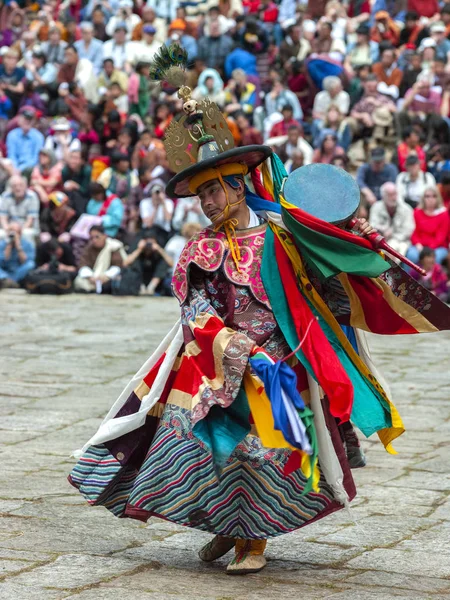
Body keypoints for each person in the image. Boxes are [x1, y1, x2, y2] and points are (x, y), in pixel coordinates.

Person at [71, 70, 450, 576]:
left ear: (239, 187)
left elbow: (329, 288)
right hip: (220, 360)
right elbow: (194, 308)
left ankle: (253, 538)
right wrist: (228, 344)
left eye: (214, 191)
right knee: (207, 447)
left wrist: (350, 241)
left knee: (264, 451)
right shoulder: (201, 248)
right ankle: (225, 526)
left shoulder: (284, 237)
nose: (207, 203)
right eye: (200, 195)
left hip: (280, 362)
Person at [74, 224, 127, 293]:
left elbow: (117, 266)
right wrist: (90, 277)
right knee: (79, 281)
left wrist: (106, 276)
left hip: (108, 278)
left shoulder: (113, 247)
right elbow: (83, 264)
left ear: (104, 236)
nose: (94, 240)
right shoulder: (89, 248)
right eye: (92, 238)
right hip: (92, 278)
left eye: (97, 237)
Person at [369, 182, 415, 257]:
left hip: (401, 241)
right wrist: (384, 230)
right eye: (390, 195)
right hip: (380, 240)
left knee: (394, 249)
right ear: (383, 196)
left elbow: (409, 230)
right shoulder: (376, 207)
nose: (393, 198)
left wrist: (392, 236)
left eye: (395, 194)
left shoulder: (406, 209)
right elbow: (372, 226)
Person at [407, 187, 450, 266]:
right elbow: (414, 232)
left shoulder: (443, 213)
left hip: (438, 247)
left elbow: (441, 237)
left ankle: (433, 278)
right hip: (419, 246)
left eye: (434, 196)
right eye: (427, 196)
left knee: (433, 258)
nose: (431, 199)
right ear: (423, 198)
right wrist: (418, 244)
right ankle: (407, 278)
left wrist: (426, 250)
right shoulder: (417, 212)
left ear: (438, 198)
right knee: (411, 255)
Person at [0, 175, 40, 243]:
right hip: (9, 228)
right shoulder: (5, 196)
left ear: (25, 186)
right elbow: (3, 217)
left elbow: (30, 219)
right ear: (11, 188)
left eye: (20, 185)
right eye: (14, 186)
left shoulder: (32, 197)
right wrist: (7, 229)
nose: (18, 188)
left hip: (27, 228)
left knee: (26, 235)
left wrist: (18, 231)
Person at [6, 109, 44, 174]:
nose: (27, 121)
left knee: (34, 170)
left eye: (30, 119)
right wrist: (15, 169)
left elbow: (36, 158)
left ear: (33, 122)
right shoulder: (12, 135)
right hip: (14, 167)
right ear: (19, 120)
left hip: (31, 167)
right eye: (25, 119)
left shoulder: (38, 136)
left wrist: (21, 169)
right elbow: (11, 155)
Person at [139, 180, 174, 246]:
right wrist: (156, 207)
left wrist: (163, 203)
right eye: (156, 192)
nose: (157, 195)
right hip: (148, 231)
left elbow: (168, 218)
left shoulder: (168, 202)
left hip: (163, 231)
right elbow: (148, 224)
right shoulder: (144, 203)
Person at [0, 224, 35, 289]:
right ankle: (9, 282)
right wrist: (9, 245)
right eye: (11, 232)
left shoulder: (27, 244)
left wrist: (18, 246)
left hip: (18, 272)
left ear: (20, 234)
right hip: (5, 272)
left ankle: (11, 282)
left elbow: (25, 261)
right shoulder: (2, 244)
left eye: (16, 232)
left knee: (30, 265)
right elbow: (3, 261)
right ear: (7, 233)